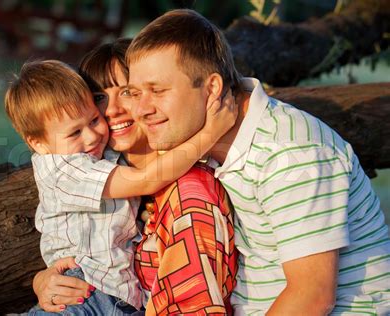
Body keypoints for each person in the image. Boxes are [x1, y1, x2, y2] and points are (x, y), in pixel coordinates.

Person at [126, 9, 390, 315]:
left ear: (212, 88)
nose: (141, 109)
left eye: (157, 91)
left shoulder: (289, 152)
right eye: (135, 92)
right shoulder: (201, 138)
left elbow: (312, 297)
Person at [5, 58, 237, 314]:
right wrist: (209, 133)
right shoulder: (64, 169)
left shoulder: (117, 162)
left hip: (118, 300)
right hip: (84, 294)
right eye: (75, 133)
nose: (92, 135)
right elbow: (147, 179)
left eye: (94, 120)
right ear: (38, 144)